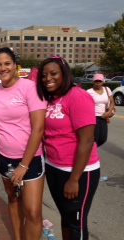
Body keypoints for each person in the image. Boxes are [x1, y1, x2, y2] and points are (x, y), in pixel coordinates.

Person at [36, 56, 100, 240]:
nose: (48, 78)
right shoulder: (51, 98)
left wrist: (74, 179)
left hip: (78, 171)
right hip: (54, 167)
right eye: (44, 75)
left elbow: (87, 140)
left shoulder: (78, 96)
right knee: (66, 217)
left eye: (53, 73)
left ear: (65, 74)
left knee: (76, 224)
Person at [0, 47, 46, 240]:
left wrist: (24, 165)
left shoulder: (29, 88)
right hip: (4, 157)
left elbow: (38, 129)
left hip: (31, 159)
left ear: (15, 65)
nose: (3, 68)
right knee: (13, 200)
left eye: (7, 63)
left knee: (32, 212)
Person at [87, 74, 115, 147]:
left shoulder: (107, 89)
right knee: (95, 139)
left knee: (103, 139)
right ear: (93, 81)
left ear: (103, 82)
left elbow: (112, 102)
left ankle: (91, 150)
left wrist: (108, 112)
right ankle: (92, 153)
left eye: (100, 81)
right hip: (93, 117)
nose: (98, 83)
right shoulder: (89, 92)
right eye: (96, 81)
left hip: (103, 117)